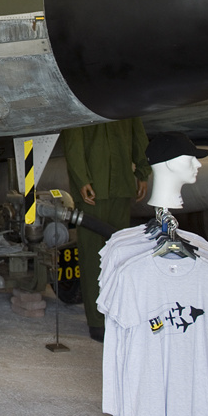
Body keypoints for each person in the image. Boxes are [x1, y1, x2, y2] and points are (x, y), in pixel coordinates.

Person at [61, 118, 151, 342]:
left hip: (120, 186)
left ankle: (119, 314)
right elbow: (73, 140)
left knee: (120, 258)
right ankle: (97, 322)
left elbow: (138, 135)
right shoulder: (84, 99)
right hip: (94, 191)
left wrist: (142, 171)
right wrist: (81, 179)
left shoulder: (126, 102)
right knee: (93, 260)